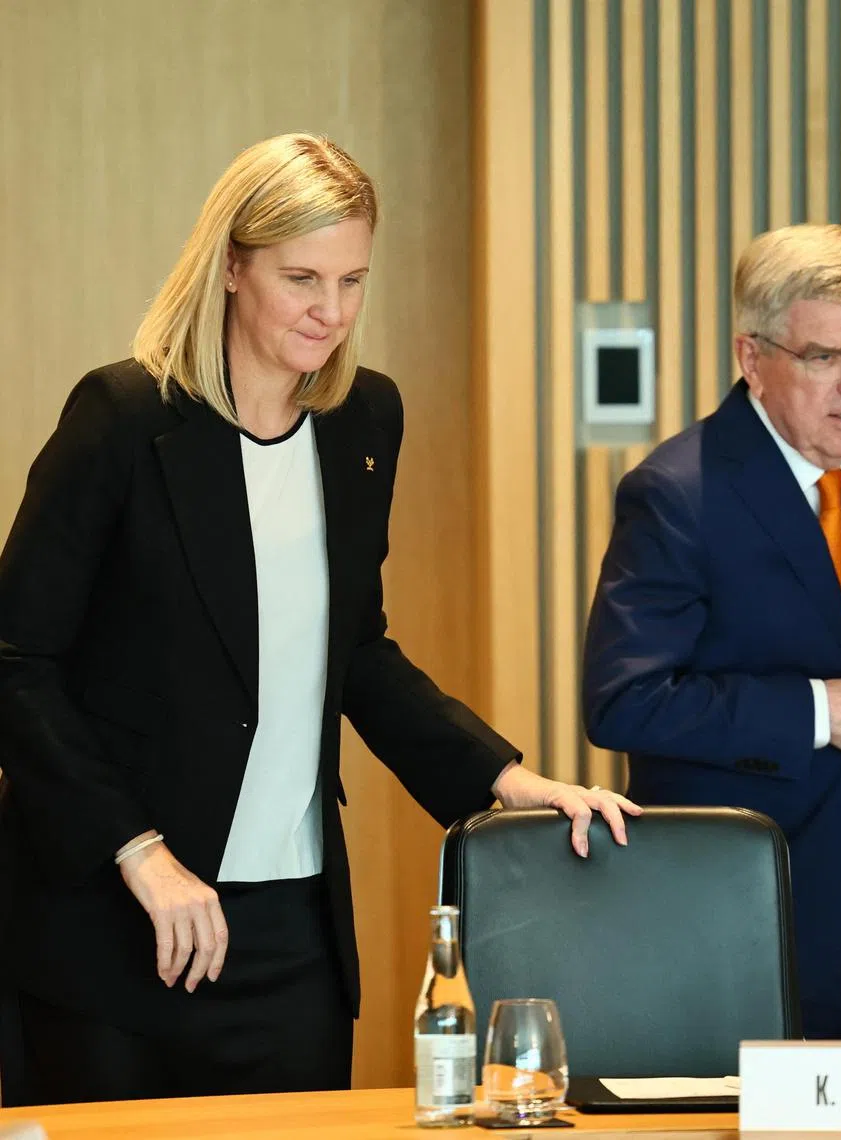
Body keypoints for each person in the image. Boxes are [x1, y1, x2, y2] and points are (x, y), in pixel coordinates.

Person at [0, 133, 639, 1106]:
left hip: (291, 935)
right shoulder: (126, 420)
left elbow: (358, 655)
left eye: (352, 281)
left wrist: (506, 777)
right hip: (119, 920)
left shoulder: (361, 424)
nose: (330, 312)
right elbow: (17, 660)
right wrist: (140, 852)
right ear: (229, 267)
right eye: (301, 277)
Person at [582, 224, 841, 1040]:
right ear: (752, 358)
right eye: (826, 356)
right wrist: (822, 713)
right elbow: (623, 701)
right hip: (737, 939)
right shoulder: (678, 493)